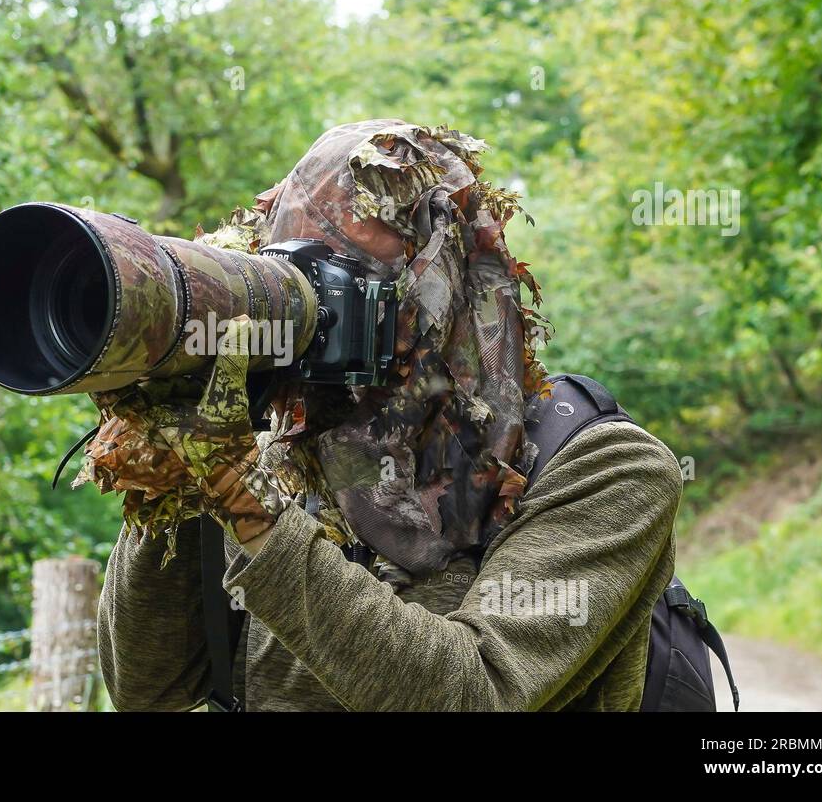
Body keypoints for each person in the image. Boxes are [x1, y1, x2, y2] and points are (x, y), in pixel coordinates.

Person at [81, 120, 682, 711]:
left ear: (448, 285)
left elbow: (480, 693)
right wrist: (175, 446)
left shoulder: (602, 470)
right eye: (300, 273)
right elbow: (148, 686)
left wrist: (251, 509)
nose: (320, 315)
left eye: (349, 281)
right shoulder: (272, 458)